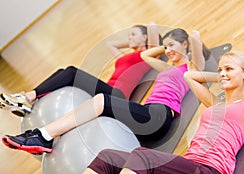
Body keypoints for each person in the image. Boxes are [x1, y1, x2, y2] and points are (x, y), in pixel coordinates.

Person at [64, 51, 244, 174]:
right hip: (187, 168)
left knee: (142, 155)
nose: (222, 73)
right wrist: (225, 76)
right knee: (108, 156)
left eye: (228, 69)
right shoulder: (215, 105)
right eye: (220, 69)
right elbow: (189, 76)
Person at [2, 28, 207, 155]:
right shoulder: (167, 68)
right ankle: (48, 138)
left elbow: (196, 38)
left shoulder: (191, 68)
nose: (168, 50)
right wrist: (167, 47)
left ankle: (43, 135)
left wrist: (184, 42)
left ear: (186, 45)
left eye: (172, 46)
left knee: (102, 100)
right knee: (93, 108)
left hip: (159, 116)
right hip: (144, 113)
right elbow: (145, 55)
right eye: (166, 47)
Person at [0, 23, 160, 117]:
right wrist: (134, 41)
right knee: (61, 71)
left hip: (116, 95)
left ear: (145, 38)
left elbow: (152, 26)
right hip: (106, 91)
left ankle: (27, 97)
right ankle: (29, 100)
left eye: (133, 35)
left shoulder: (147, 55)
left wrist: (144, 39)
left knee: (71, 72)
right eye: (129, 35)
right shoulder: (127, 56)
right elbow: (110, 44)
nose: (129, 38)